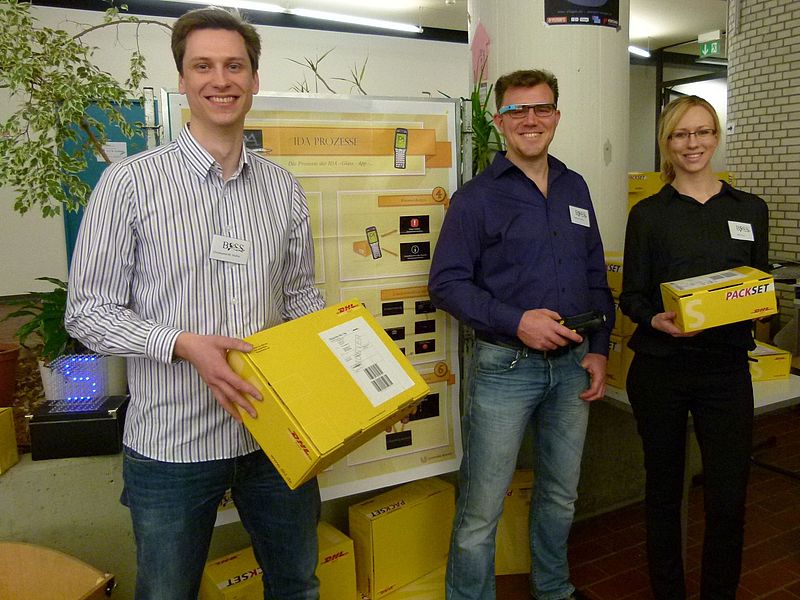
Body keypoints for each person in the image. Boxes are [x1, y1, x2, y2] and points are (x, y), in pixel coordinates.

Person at [65, 7, 323, 600]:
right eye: (203, 66)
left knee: (297, 586)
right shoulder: (130, 184)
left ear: (254, 79)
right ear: (181, 79)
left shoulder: (282, 188)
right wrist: (181, 344)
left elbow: (300, 297)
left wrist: (358, 377)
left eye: (235, 66)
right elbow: (87, 312)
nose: (220, 80)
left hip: (275, 435)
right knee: (167, 592)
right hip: (172, 442)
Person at [428, 69, 614, 600]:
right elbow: (445, 284)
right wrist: (517, 321)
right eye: (517, 110)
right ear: (499, 120)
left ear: (556, 115)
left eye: (541, 108)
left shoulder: (575, 186)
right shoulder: (476, 198)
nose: (531, 120)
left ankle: (554, 588)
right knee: (482, 506)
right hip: (505, 370)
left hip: (574, 365)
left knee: (560, 494)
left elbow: (595, 273)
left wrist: (600, 350)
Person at [620, 95, 769, 600]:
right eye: (681, 134)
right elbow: (632, 295)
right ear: (667, 142)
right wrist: (655, 319)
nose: (693, 143)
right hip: (662, 370)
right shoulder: (648, 215)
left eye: (702, 132)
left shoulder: (749, 209)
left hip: (726, 371)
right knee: (663, 494)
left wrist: (757, 303)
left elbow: (756, 280)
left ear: (716, 136)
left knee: (728, 497)